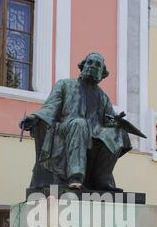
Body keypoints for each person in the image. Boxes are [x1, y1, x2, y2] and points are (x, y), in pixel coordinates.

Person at [20, 53, 146, 192]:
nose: (93, 66)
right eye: (90, 62)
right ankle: (76, 176)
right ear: (83, 66)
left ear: (102, 73)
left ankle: (101, 180)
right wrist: (35, 117)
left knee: (118, 134)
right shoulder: (64, 84)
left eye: (98, 65)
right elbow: (50, 108)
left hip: (94, 133)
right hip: (66, 127)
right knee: (80, 124)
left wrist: (115, 123)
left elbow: (108, 121)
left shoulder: (103, 97)